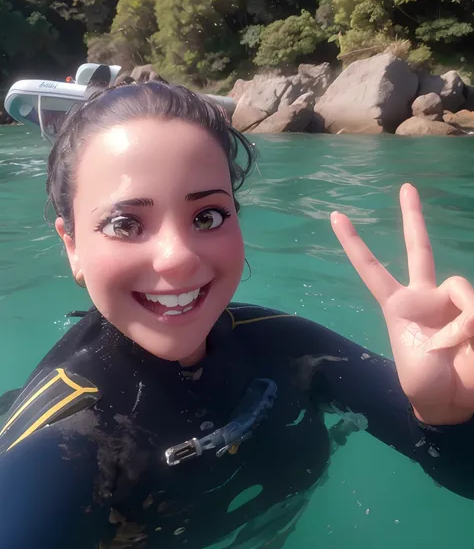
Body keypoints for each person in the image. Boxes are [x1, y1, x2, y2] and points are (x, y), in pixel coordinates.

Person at [0, 82, 473, 549]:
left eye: (207, 216)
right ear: (73, 246)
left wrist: (447, 414)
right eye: (125, 223)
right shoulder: (67, 438)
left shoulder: (289, 350)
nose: (177, 258)